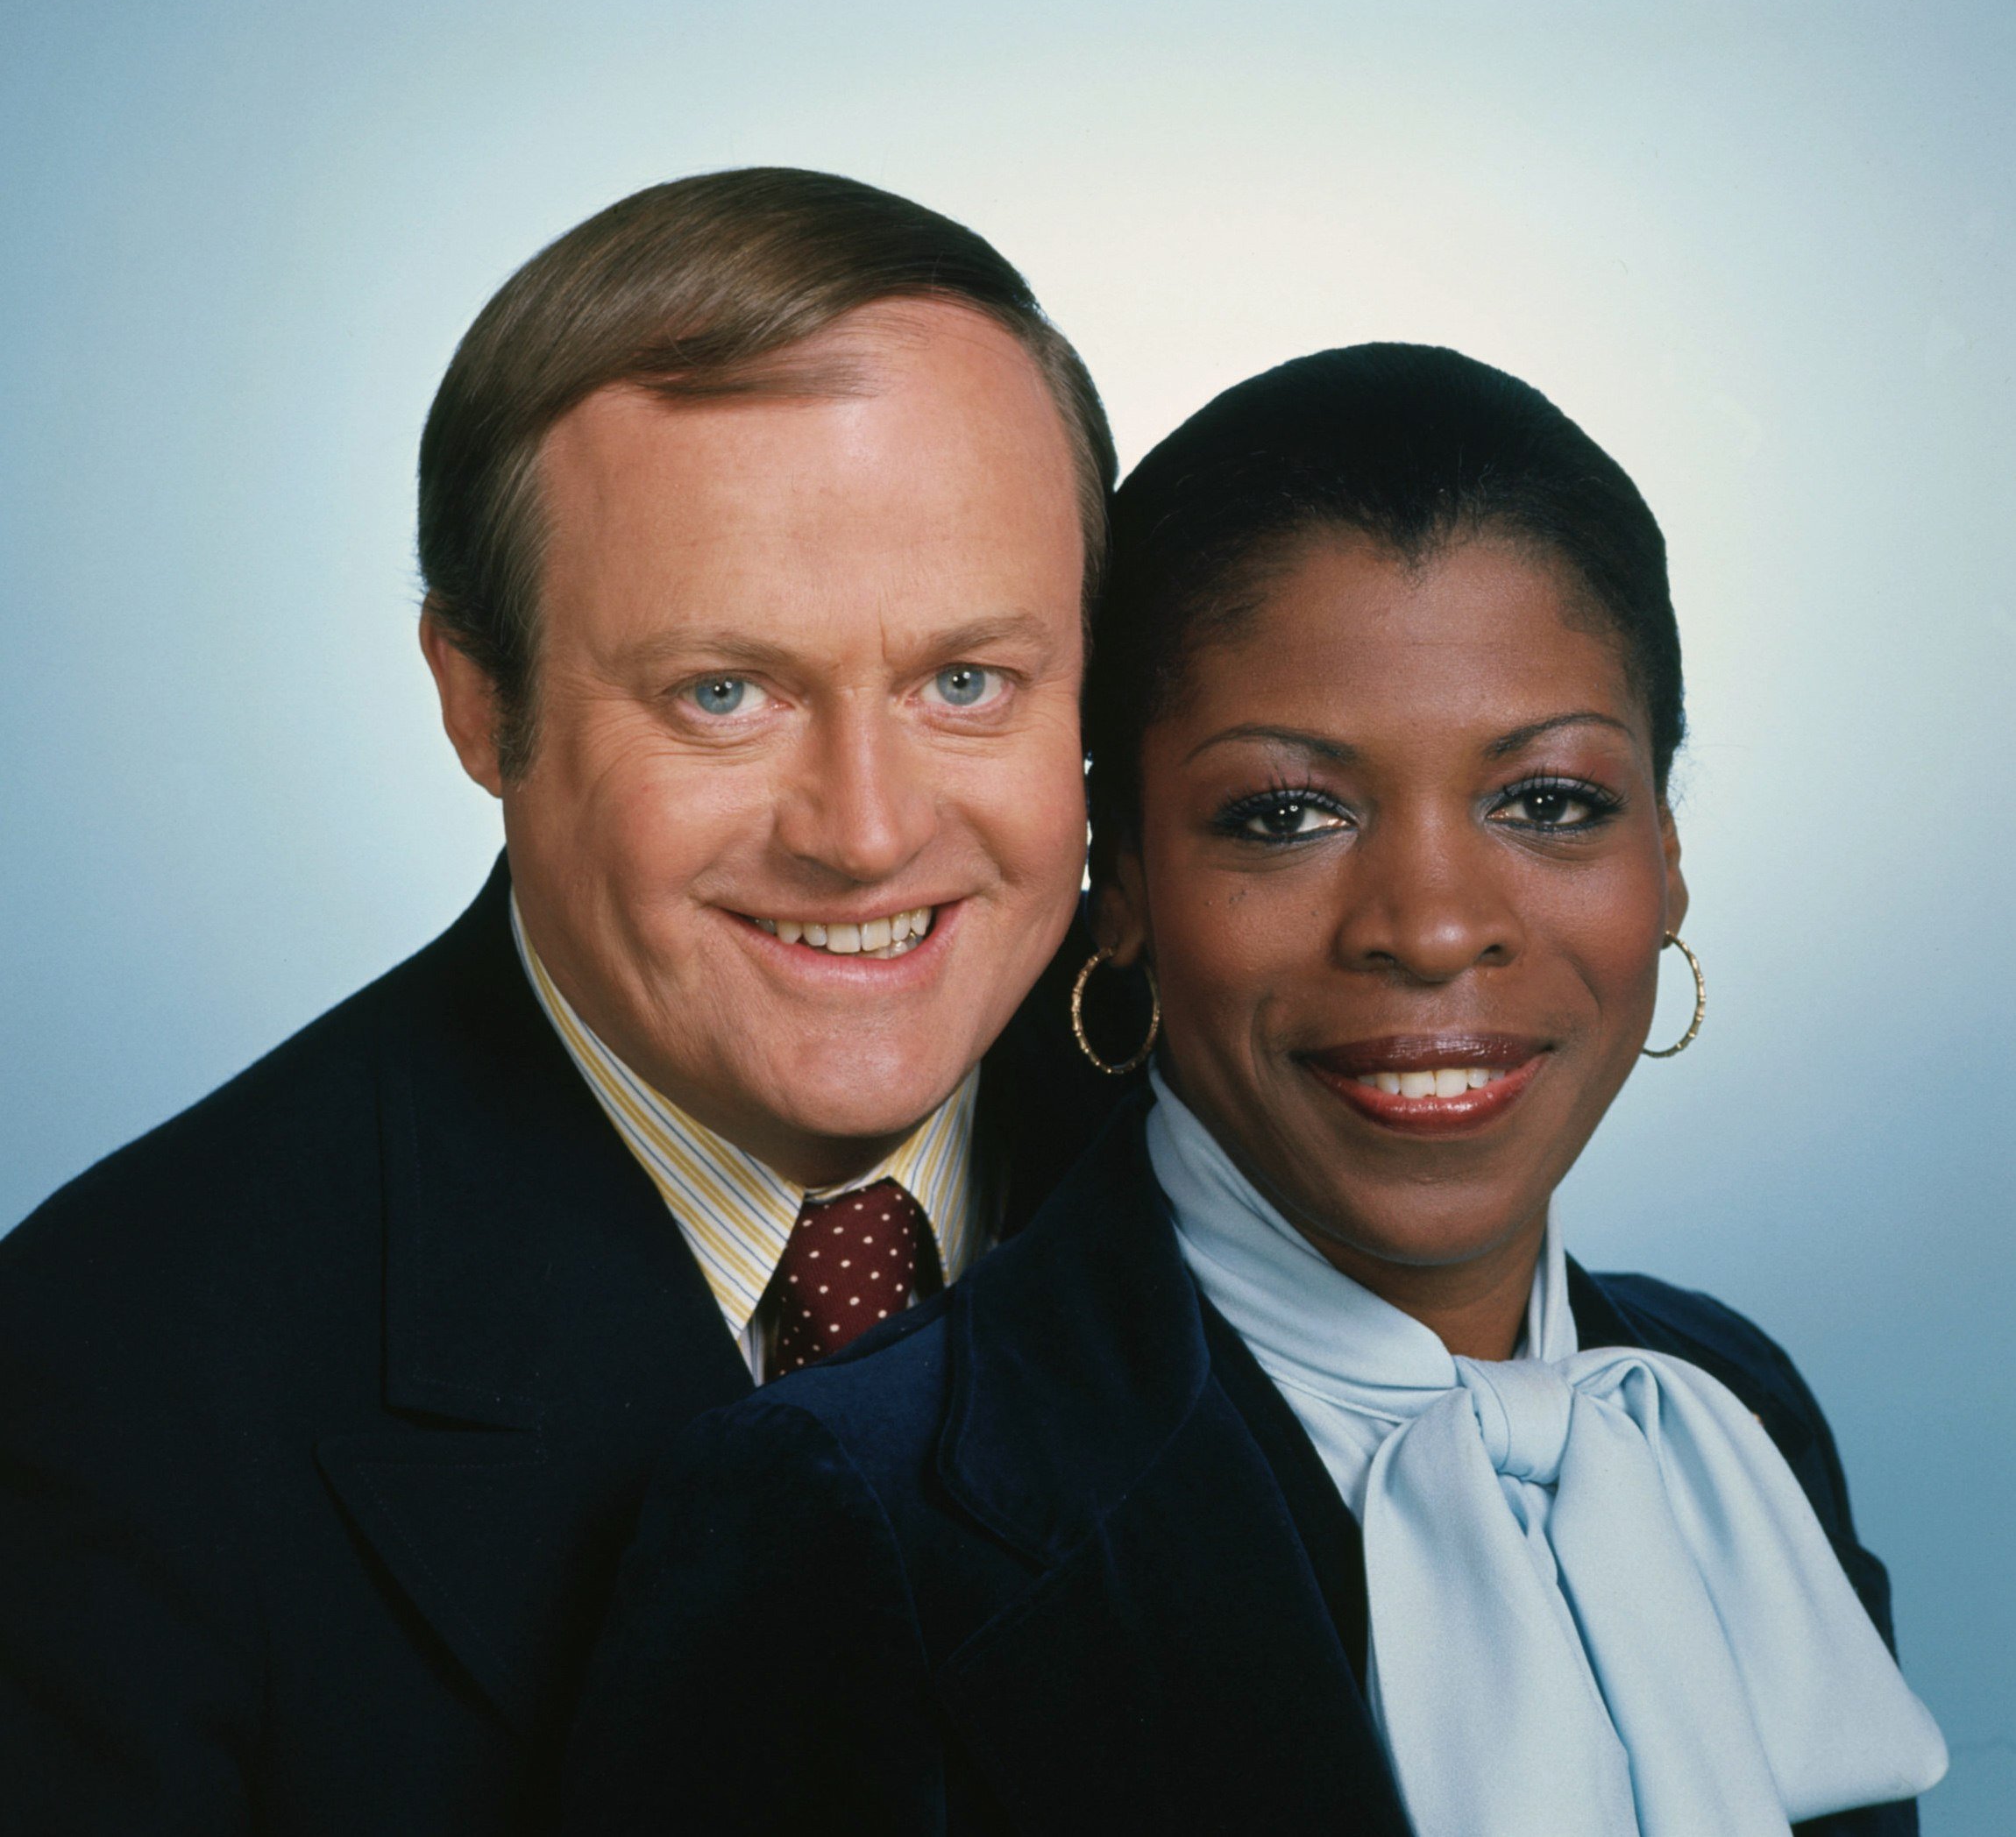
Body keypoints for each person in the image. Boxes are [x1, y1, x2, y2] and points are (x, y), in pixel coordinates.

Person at [561, 344, 1949, 1835]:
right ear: (1127, 883)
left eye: (1548, 801)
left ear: (1664, 855)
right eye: (1285, 814)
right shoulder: (846, 1511)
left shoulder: (1727, 1413)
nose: (1427, 925)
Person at [0, 169, 1129, 1833]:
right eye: (723, 694)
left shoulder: (1232, 1151)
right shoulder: (107, 1392)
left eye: (968, 681)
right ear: (481, 704)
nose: (868, 832)